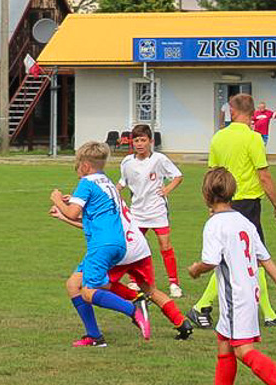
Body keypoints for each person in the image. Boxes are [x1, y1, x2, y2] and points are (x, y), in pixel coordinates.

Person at [187, 168, 276, 385]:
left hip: (236, 296)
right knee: (224, 343)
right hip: (249, 291)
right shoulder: (243, 221)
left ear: (206, 195)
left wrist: (195, 270)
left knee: (242, 350)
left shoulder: (214, 225)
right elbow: (263, 256)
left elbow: (209, 261)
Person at [188, 93, 276, 330]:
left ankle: (268, 314)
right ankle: (201, 306)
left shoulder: (218, 138)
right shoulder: (254, 138)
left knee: (241, 257)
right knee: (252, 255)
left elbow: (211, 173)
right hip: (246, 203)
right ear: (252, 113)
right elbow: (263, 175)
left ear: (232, 112)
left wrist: (211, 204)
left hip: (222, 201)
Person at [51, 194, 194, 341]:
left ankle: (133, 304)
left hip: (121, 250)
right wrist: (66, 213)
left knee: (86, 285)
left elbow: (95, 227)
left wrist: (64, 211)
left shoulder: (100, 203)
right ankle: (182, 323)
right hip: (140, 247)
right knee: (150, 290)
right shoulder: (112, 197)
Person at [50, 141, 151, 347]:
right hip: (116, 244)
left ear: (85, 166)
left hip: (102, 246)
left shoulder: (86, 183)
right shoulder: (106, 181)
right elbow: (93, 213)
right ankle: (94, 336)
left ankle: (134, 308)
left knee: (88, 293)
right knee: (73, 285)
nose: (77, 171)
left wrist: (58, 200)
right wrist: (71, 202)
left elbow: (72, 213)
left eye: (77, 166)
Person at [117, 124, 185, 298]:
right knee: (135, 246)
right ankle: (134, 280)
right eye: (136, 140)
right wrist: (112, 192)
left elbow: (177, 176)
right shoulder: (127, 162)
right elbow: (122, 182)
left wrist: (167, 190)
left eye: (143, 140)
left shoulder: (159, 159)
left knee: (165, 245)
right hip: (137, 212)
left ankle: (174, 283)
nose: (139, 144)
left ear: (150, 141)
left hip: (157, 210)